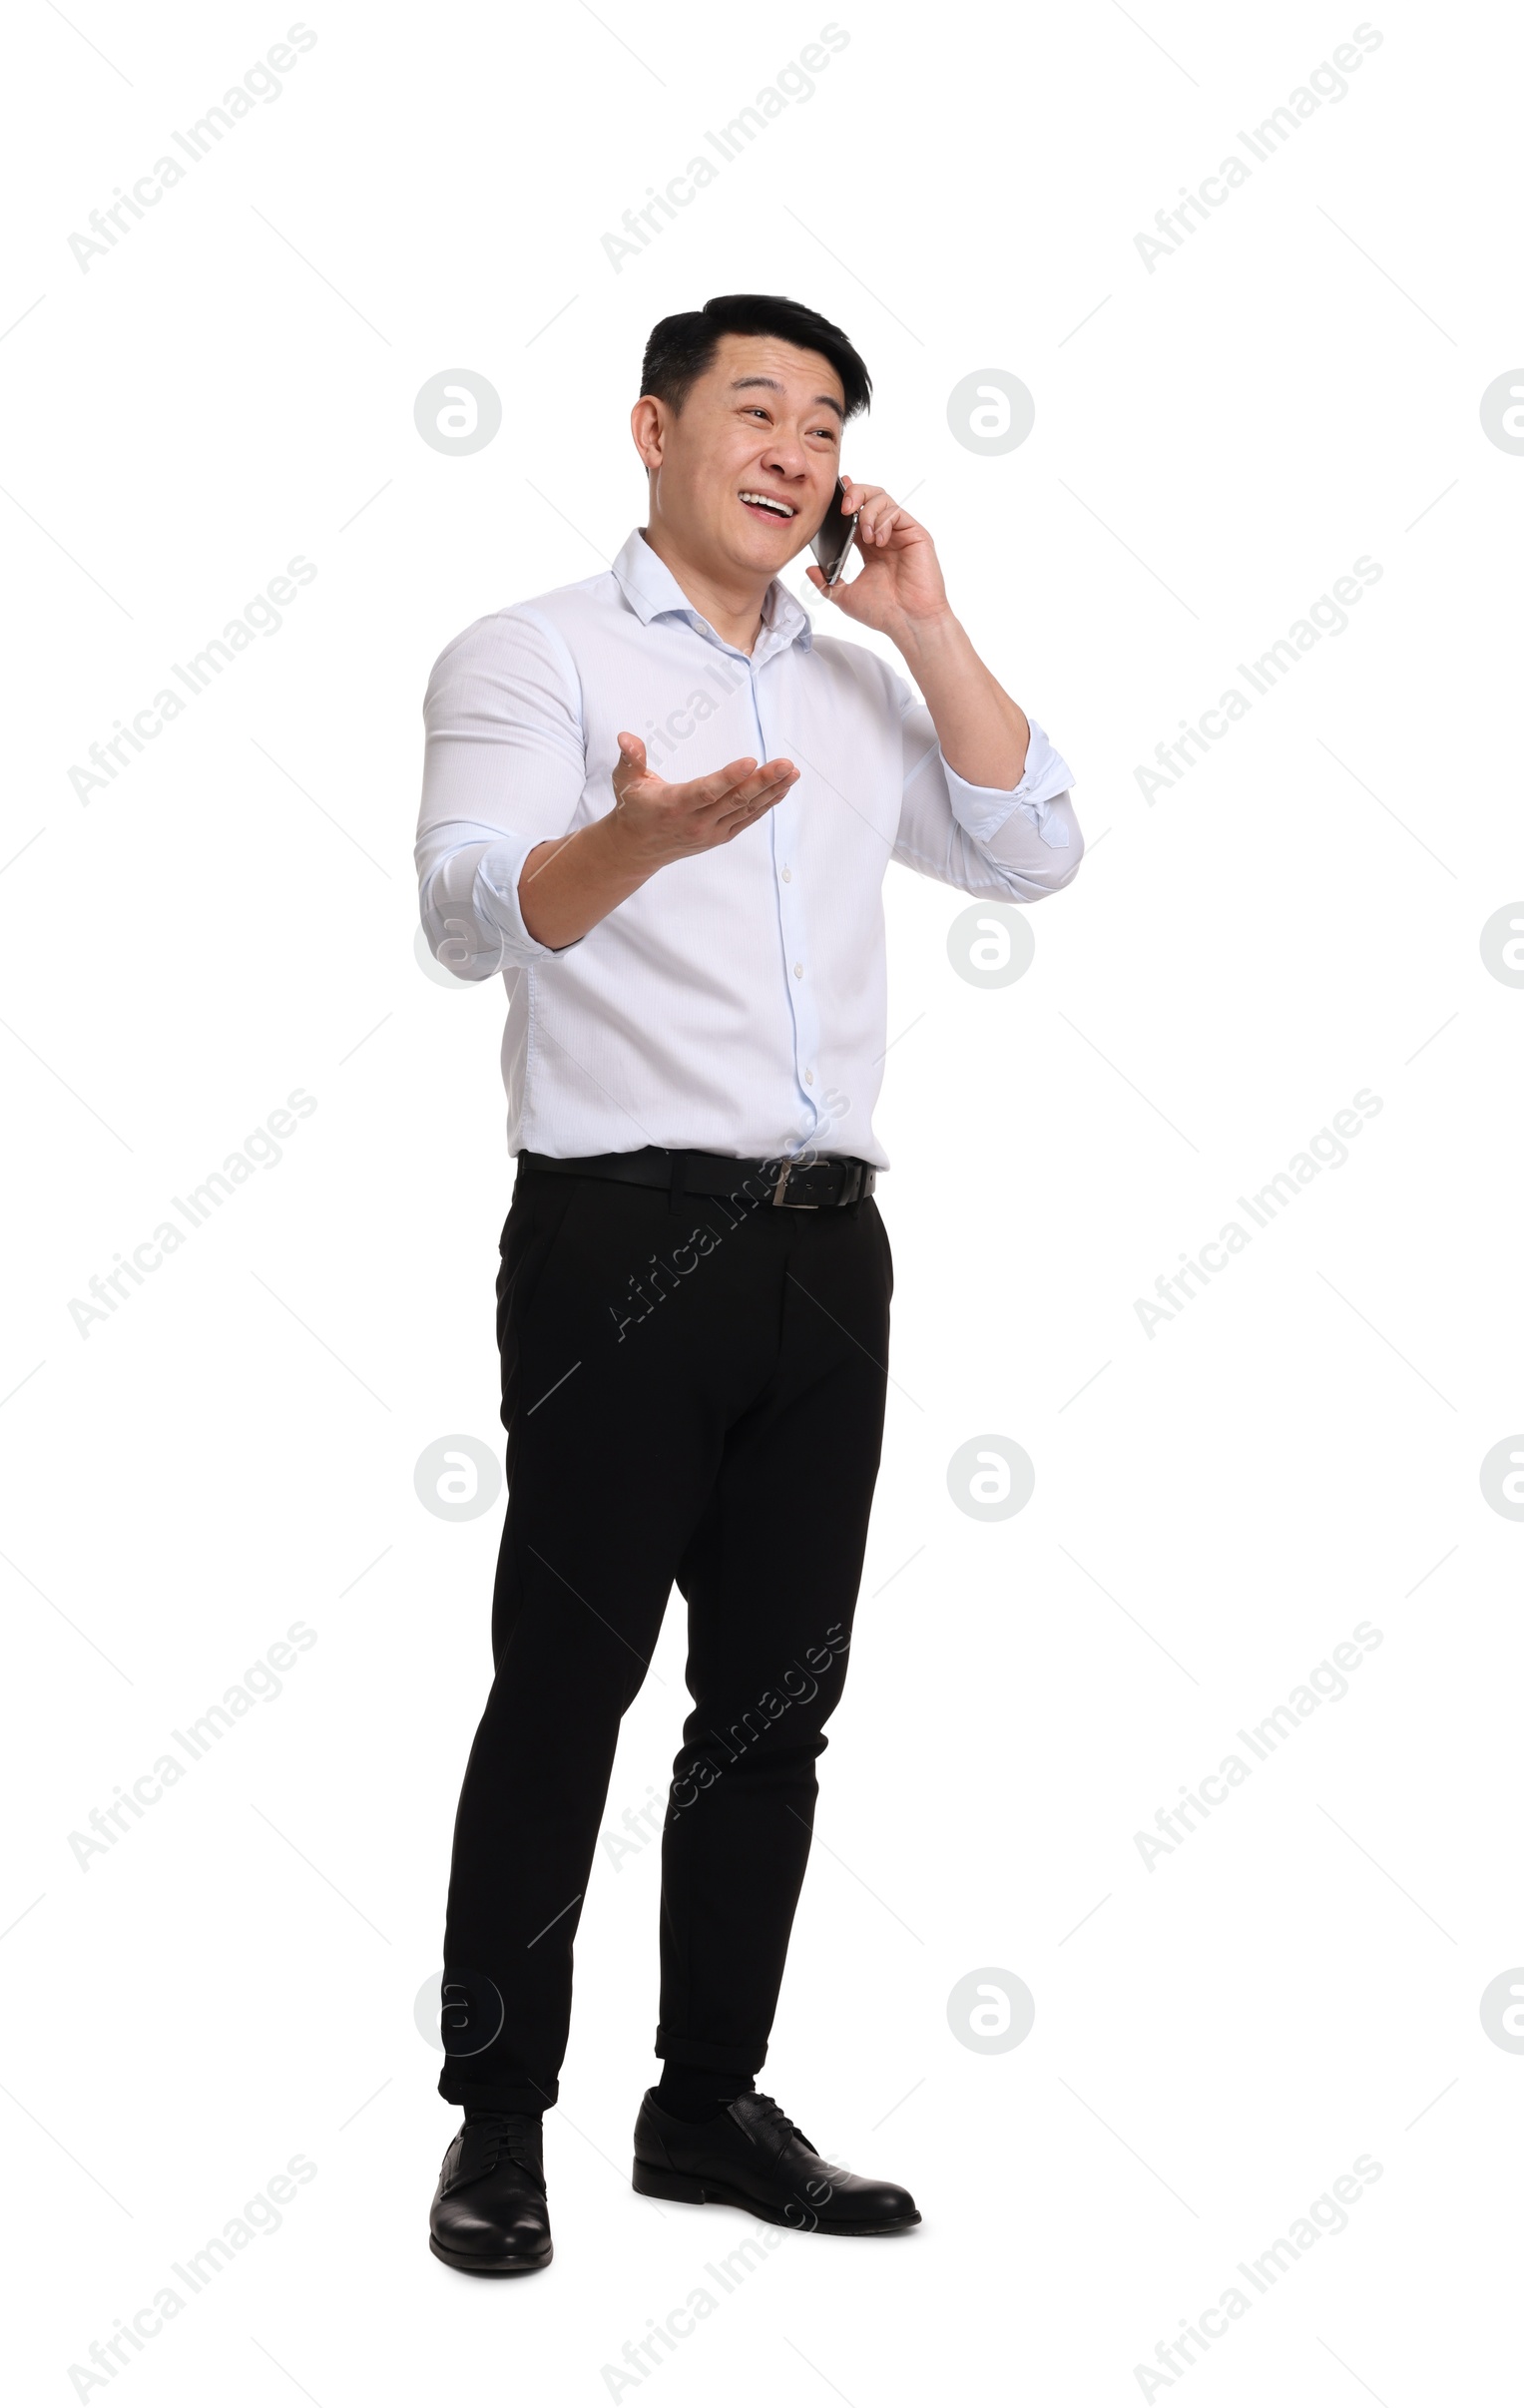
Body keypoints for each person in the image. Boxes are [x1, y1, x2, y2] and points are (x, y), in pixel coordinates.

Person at [413, 293, 1083, 2273]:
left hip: (824, 1253)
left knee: (773, 1706)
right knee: (566, 1688)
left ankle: (702, 2101)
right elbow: (466, 910)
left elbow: (1031, 845)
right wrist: (621, 842)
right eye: (754, 408)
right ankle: (496, 2118)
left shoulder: (860, 683)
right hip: (619, 1240)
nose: (791, 448)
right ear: (653, 428)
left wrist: (927, 622)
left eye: (823, 423)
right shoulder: (527, 653)